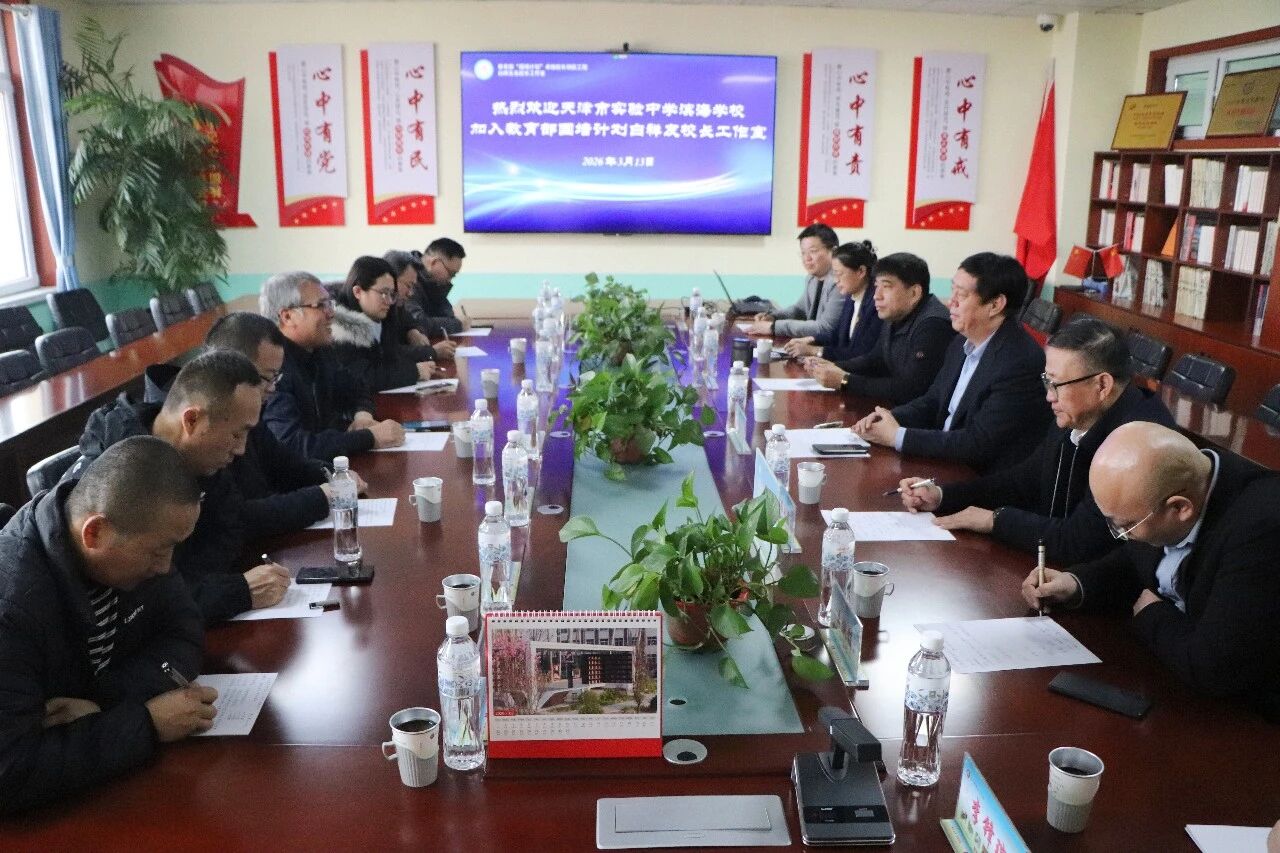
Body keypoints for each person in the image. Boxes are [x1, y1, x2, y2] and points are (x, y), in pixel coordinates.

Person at [0, 437, 219, 813]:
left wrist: (104, 703)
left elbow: (184, 630)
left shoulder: (139, 538)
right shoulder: (13, 607)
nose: (166, 567)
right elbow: (11, 771)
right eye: (159, 551)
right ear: (95, 534)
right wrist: (146, 724)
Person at [1024, 422, 1280, 716]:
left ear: (1179, 508)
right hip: (1173, 676)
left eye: (1126, 525)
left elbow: (1214, 667)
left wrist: (1151, 613)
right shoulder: (1181, 484)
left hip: (1245, 717)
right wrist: (1075, 584)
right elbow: (1137, 560)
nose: (1119, 534)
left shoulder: (1261, 531)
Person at [899, 317, 1175, 565]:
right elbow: (1024, 479)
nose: (1049, 396)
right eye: (1046, 381)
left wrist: (994, 520)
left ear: (1102, 385)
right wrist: (943, 496)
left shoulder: (1136, 444)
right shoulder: (1075, 412)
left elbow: (1080, 540)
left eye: (1056, 384)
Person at [66, 351, 291, 623]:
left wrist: (197, 584)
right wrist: (231, 592)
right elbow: (138, 605)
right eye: (236, 434)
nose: (241, 449)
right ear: (192, 420)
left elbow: (231, 528)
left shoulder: (203, 460)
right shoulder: (115, 481)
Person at [853, 252, 1049, 474]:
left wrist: (898, 436)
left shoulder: (1019, 361)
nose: (950, 302)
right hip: (945, 461)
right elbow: (934, 400)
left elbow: (979, 443)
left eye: (961, 295)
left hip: (978, 477)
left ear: (995, 305)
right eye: (952, 290)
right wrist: (888, 418)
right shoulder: (961, 342)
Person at [205, 312, 367, 537]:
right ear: (232, 368)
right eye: (267, 377)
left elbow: (285, 465)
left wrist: (334, 475)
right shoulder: (208, 426)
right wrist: (323, 496)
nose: (273, 388)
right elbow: (240, 517)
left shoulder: (251, 414)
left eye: (276, 377)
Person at [259, 270, 405, 461]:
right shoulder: (272, 368)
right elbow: (292, 445)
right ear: (287, 317)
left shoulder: (320, 350)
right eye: (321, 305)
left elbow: (358, 387)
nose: (331, 313)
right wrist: (369, 438)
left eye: (330, 304)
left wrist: (363, 416)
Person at [802, 252, 954, 405]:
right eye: (876, 286)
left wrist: (845, 380)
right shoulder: (896, 313)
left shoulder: (933, 325)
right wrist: (831, 367)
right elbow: (875, 360)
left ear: (914, 293)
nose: (876, 296)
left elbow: (911, 389)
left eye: (886, 287)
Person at [331, 255, 445, 392]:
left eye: (392, 294)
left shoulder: (384, 315)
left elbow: (391, 356)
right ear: (358, 291)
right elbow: (361, 378)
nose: (389, 301)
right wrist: (414, 372)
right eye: (383, 293)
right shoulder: (341, 328)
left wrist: (413, 332)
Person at [782, 240, 882, 362]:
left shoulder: (877, 304)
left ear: (861, 271)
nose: (836, 280)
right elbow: (838, 334)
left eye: (839, 274)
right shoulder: (851, 296)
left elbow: (861, 353)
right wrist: (811, 340)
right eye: (834, 275)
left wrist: (815, 350)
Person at [746, 224, 845, 339]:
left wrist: (774, 327)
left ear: (833, 251)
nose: (807, 258)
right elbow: (799, 310)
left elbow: (825, 328)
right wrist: (773, 317)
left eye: (813, 251)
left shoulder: (840, 282)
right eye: (803, 253)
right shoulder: (812, 279)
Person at [384, 250, 457, 361]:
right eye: (408, 285)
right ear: (390, 279)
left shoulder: (396, 305)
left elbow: (412, 321)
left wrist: (413, 330)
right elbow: (388, 353)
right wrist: (433, 352)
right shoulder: (379, 307)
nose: (410, 293)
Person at [402, 238, 468, 336]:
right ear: (434, 262)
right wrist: (458, 324)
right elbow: (417, 322)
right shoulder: (407, 277)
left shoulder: (434, 283)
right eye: (451, 273)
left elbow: (447, 315)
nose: (450, 279)